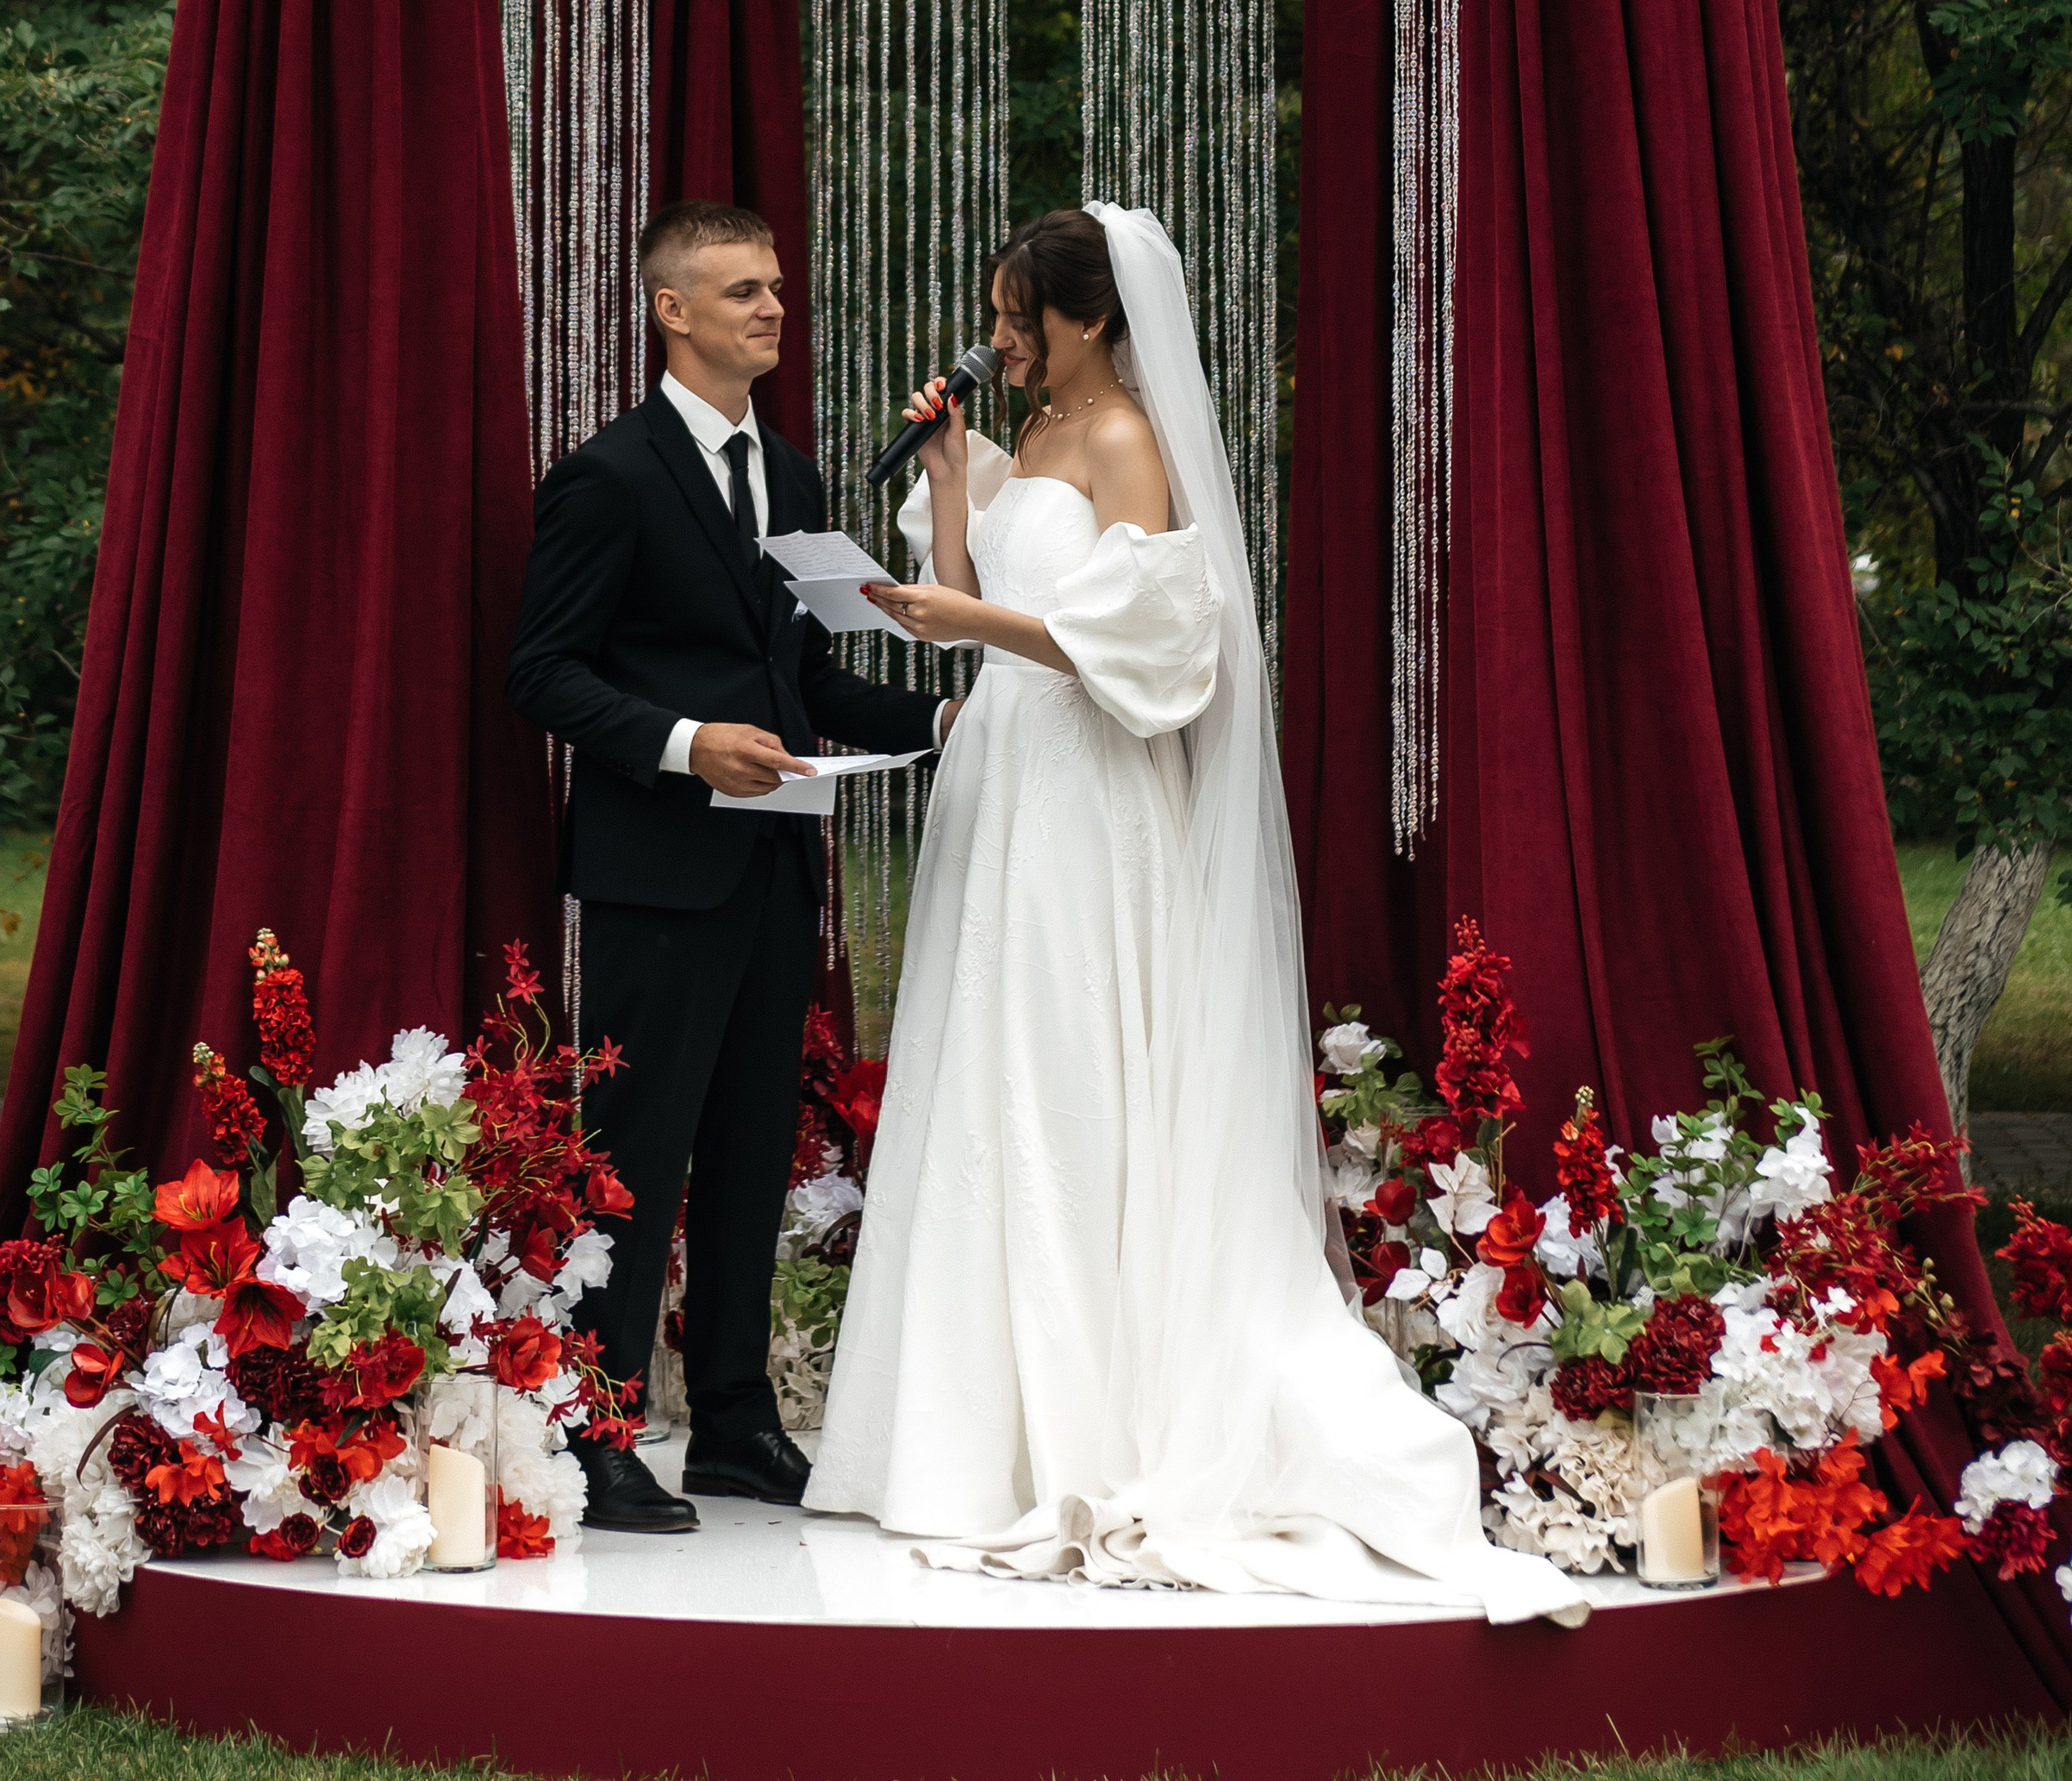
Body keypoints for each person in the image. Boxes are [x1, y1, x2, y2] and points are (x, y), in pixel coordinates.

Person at [804, 203, 1585, 1623]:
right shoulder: (1030, 439)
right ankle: (970, 1436)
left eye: (1013, 319)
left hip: (1088, 796)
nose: (993, 346)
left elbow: (1156, 647)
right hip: (1001, 780)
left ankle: (1098, 1416)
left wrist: (971, 629)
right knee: (983, 1076)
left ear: (1088, 318)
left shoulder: (1126, 443)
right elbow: (976, 595)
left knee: (1071, 1075)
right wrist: (949, 490)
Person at [505, 199, 956, 1534]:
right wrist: (690, 743)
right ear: (673, 310)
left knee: (758, 1147)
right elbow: (541, 673)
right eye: (741, 290)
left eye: (775, 288)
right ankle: (595, 1433)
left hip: (773, 872)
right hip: (657, 874)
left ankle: (739, 1425)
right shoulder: (610, 476)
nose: (771, 307)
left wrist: (940, 722)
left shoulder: (798, 478)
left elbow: (805, 673)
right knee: (635, 1157)